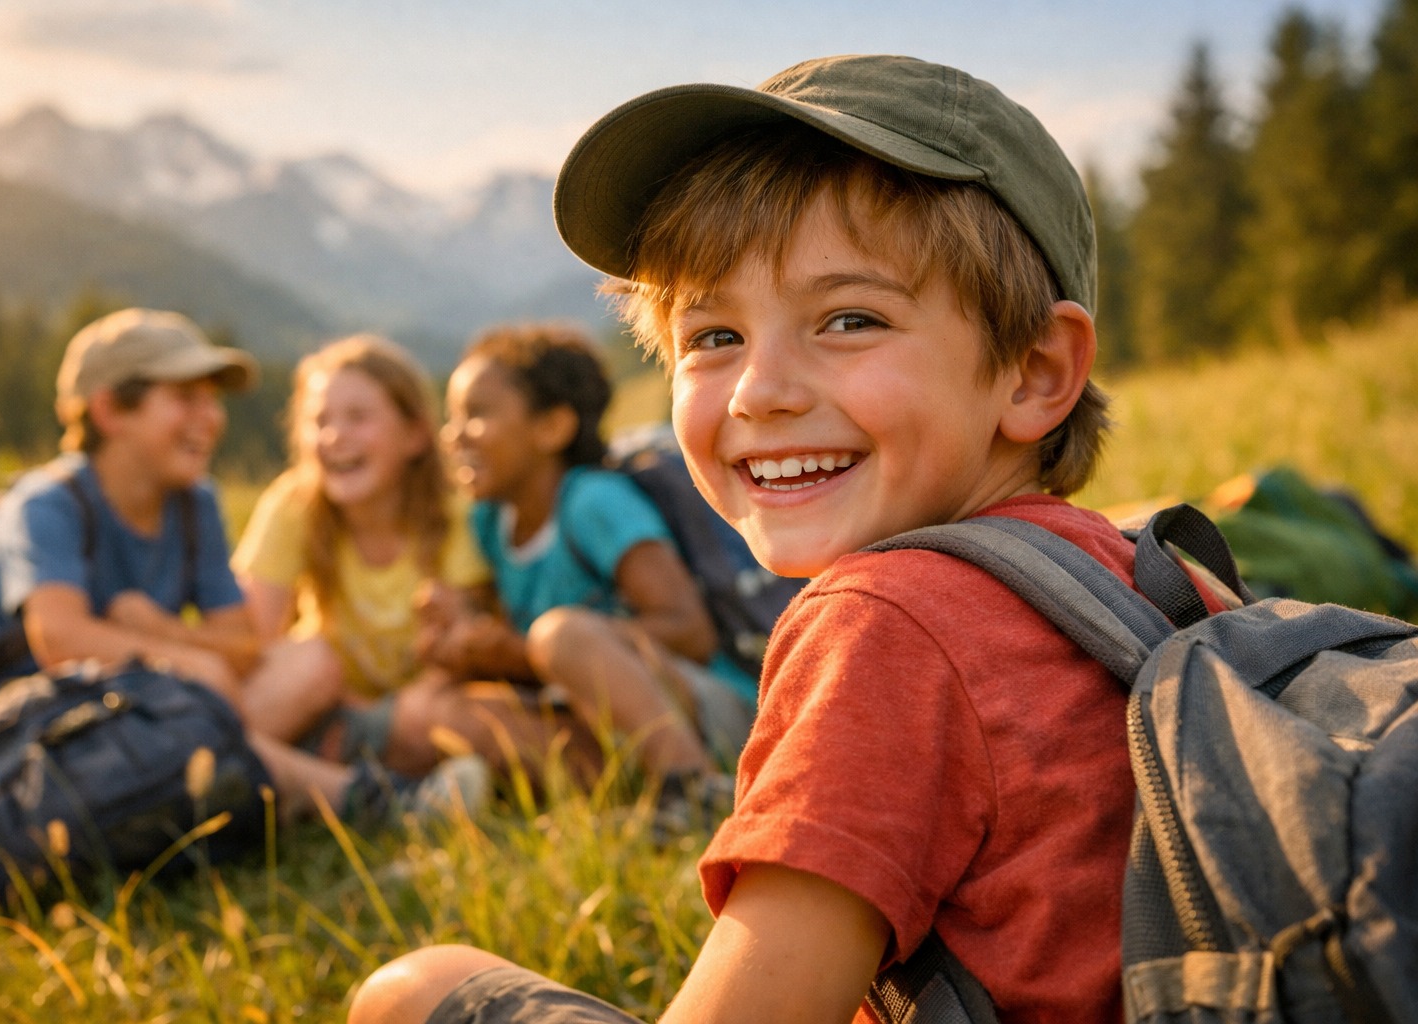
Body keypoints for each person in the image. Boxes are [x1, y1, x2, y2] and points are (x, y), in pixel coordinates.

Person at [348, 54, 1230, 1024]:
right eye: (713, 337)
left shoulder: (886, 621)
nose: (762, 390)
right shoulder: (1149, 568)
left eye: (849, 319)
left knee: (413, 990)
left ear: (1033, 370)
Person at [0, 308, 485, 828]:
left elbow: (243, 647)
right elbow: (59, 637)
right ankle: (366, 799)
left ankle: (218, 785)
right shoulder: (46, 505)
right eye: (186, 398)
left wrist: (160, 633)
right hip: (18, 741)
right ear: (109, 412)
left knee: (311, 661)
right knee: (204, 700)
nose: (212, 418)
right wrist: (194, 666)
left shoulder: (193, 505)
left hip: (133, 709)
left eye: (213, 400)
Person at [424, 322, 757, 800]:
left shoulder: (593, 503)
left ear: (552, 427)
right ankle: (635, 789)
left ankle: (695, 786)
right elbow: (508, 632)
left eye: (477, 414)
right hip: (601, 714)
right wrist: (462, 639)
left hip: (704, 707)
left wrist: (527, 653)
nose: (454, 435)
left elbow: (689, 631)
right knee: (449, 704)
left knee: (562, 636)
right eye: (451, 416)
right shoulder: (488, 521)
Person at [232, 334, 498, 777]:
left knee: (436, 712)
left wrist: (389, 714)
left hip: (417, 713)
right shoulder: (292, 506)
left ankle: (308, 775)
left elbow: (466, 652)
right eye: (319, 420)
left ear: (414, 435)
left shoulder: (454, 518)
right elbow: (254, 641)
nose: (335, 436)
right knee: (305, 664)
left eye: (358, 417)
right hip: (324, 704)